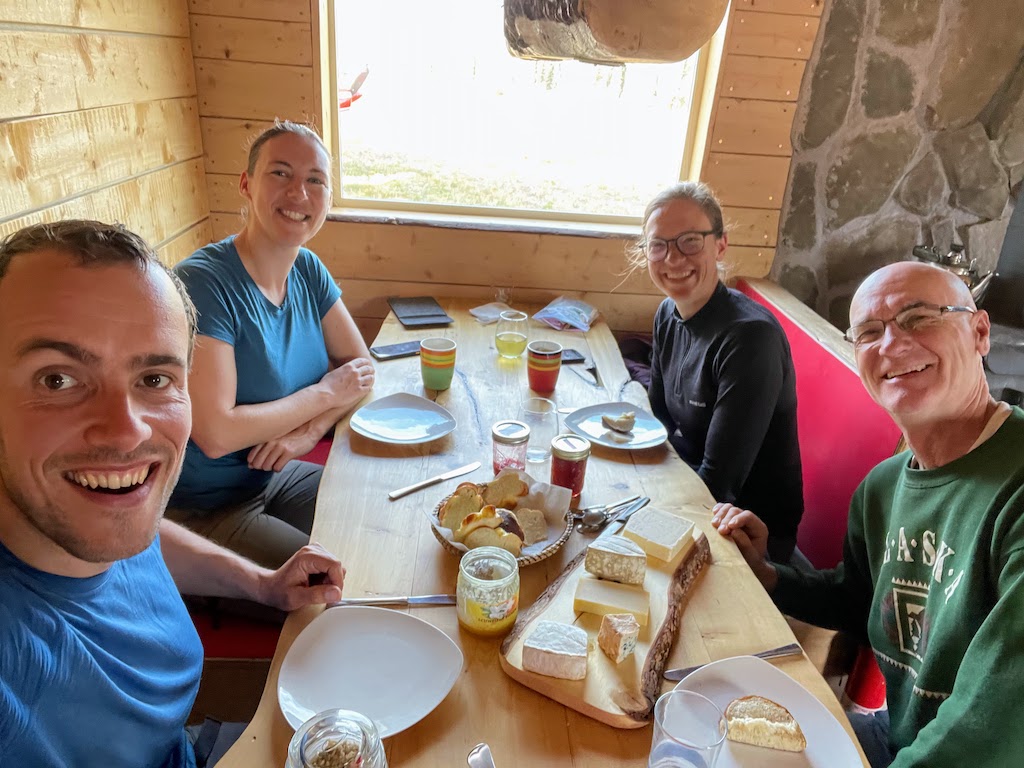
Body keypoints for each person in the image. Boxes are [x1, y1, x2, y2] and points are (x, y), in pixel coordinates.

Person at [0, 220, 348, 768]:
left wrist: (261, 585)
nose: (126, 430)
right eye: (57, 380)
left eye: (155, 379)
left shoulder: (92, 512)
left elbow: (143, 538)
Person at [713, 261, 1024, 768]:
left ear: (980, 332)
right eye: (869, 333)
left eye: (920, 317)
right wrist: (770, 575)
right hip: (898, 737)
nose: (891, 345)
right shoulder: (881, 488)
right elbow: (861, 601)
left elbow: (993, 728)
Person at [169, 120, 375, 569]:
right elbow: (217, 434)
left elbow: (361, 370)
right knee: (344, 576)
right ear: (246, 184)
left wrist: (307, 433)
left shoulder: (309, 270)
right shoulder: (204, 282)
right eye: (280, 173)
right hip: (205, 505)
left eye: (315, 180)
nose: (299, 193)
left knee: (380, 517)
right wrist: (324, 394)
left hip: (274, 477)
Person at [631, 182, 803, 561]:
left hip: (750, 533)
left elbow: (719, 485)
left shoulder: (749, 338)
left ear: (720, 244)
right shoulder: (667, 313)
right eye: (658, 244)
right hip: (692, 487)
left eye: (690, 241)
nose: (673, 259)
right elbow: (654, 422)